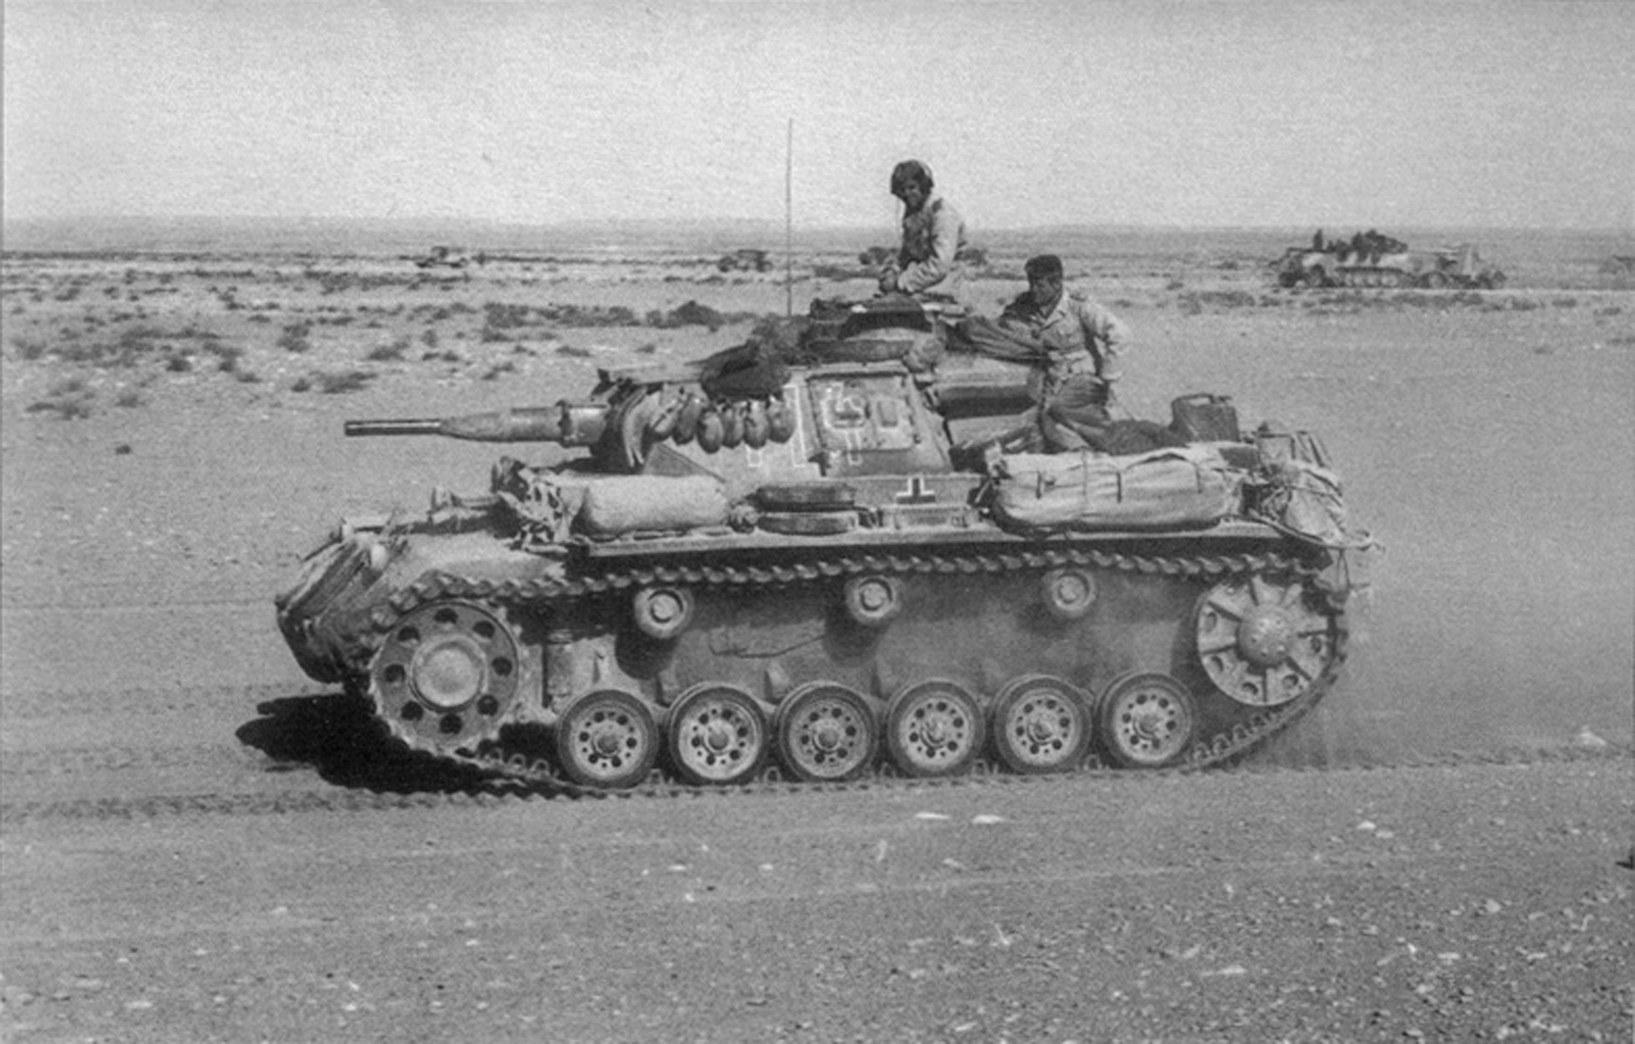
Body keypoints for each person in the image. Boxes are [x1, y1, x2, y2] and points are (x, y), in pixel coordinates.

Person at [996, 253, 1130, 448]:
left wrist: (1109, 379)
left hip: (1082, 378)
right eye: (1030, 283)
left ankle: (1102, 445)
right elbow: (1002, 328)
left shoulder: (1078, 306)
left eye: (1040, 285)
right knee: (1027, 416)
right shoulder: (1024, 305)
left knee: (1057, 408)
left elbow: (1120, 334)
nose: (1033, 290)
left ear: (1057, 284)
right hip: (1047, 377)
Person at [877, 160, 968, 302]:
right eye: (902, 190)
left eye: (911, 187)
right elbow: (906, 255)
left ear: (923, 186)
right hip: (918, 290)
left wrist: (900, 282)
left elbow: (940, 266)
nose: (907, 194)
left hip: (943, 292)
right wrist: (891, 271)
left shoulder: (942, 215)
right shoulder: (915, 216)